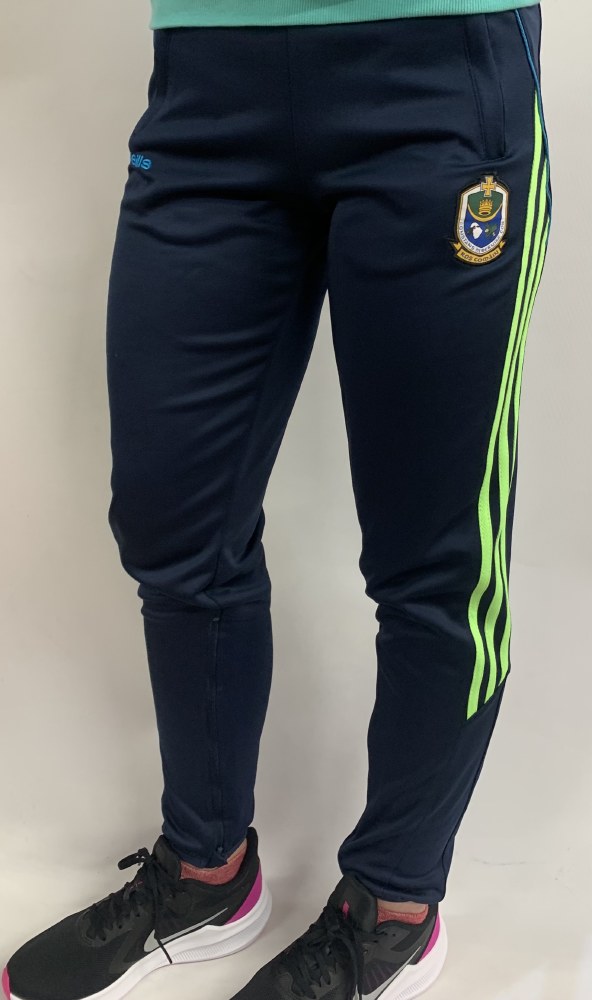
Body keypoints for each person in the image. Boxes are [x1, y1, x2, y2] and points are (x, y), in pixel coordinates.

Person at [3, 2, 551, 999]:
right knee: (172, 522)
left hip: (436, 67)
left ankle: (393, 906)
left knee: (436, 560)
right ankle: (206, 872)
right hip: (207, 80)